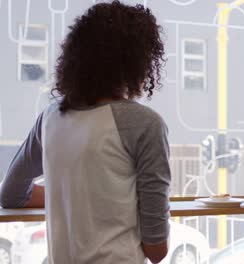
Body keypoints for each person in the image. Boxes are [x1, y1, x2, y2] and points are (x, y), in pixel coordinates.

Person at [0, 2, 171, 263]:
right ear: (137, 62)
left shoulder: (49, 118)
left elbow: (11, 193)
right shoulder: (144, 124)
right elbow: (157, 250)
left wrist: (75, 197)